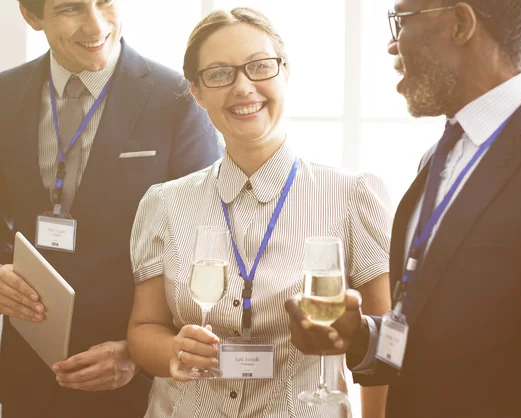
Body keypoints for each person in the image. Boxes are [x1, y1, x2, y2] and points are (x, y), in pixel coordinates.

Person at [285, 0, 521, 417]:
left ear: (459, 23)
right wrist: (360, 337)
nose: (392, 46)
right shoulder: (437, 158)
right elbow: (439, 332)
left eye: (402, 21)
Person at [127, 7, 392, 418]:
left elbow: (382, 352)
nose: (243, 87)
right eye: (219, 74)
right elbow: (144, 330)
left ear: (285, 72)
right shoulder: (164, 203)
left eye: (260, 67)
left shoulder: (353, 195)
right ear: (196, 92)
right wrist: (172, 350)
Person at [0, 0, 222, 416]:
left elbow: (205, 244)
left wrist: (140, 351)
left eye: (104, 2)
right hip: (27, 372)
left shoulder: (177, 100)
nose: (96, 24)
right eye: (71, 8)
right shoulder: (3, 94)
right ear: (31, 17)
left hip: (131, 385)